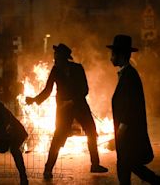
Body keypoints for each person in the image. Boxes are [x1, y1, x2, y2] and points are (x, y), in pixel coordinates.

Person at [25, 43, 108, 179]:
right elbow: (47, 90)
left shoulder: (78, 69)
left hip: (80, 106)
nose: (54, 59)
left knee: (91, 131)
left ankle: (95, 164)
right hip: (63, 110)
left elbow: (85, 89)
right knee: (58, 137)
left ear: (64, 58)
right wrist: (34, 100)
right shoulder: (55, 70)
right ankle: (48, 169)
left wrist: (72, 101)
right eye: (55, 57)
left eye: (57, 56)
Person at [107, 35, 160, 185]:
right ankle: (159, 182)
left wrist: (120, 131)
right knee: (128, 164)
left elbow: (131, 107)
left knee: (125, 164)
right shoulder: (127, 74)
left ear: (120, 55)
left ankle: (159, 182)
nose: (110, 58)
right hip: (127, 131)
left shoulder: (130, 76)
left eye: (113, 54)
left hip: (129, 132)